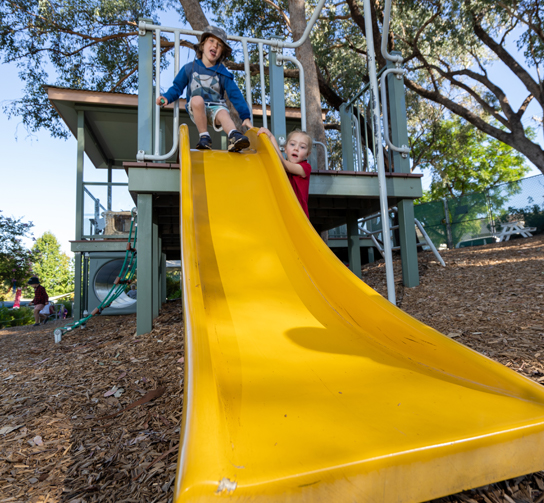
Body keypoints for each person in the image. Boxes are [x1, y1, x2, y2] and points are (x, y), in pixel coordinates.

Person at [156, 25, 253, 152]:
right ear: (202, 45)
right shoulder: (189, 68)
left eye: (219, 45)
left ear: (221, 54)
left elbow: (236, 95)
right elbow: (177, 87)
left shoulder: (222, 73)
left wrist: (245, 116)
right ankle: (204, 137)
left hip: (216, 107)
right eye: (211, 41)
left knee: (224, 113)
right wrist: (166, 98)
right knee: (197, 100)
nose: (215, 46)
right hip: (197, 108)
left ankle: (233, 135)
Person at [257, 128, 313, 218]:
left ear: (307, 155)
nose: (296, 148)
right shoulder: (280, 168)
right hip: (282, 210)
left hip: (298, 215)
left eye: (302, 147)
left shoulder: (305, 168)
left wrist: (271, 138)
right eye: (292, 144)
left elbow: (283, 164)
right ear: (285, 149)